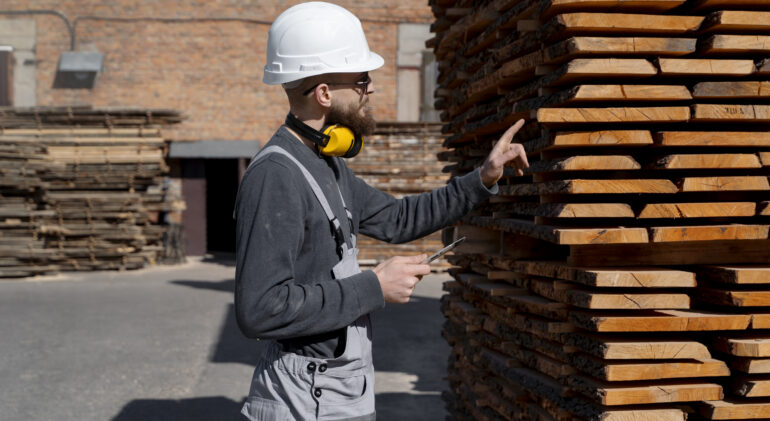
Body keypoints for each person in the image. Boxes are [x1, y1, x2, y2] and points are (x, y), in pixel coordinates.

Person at [233, 2, 528, 420]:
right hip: (303, 402)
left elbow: (398, 219)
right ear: (323, 94)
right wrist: (375, 286)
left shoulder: (329, 164)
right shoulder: (276, 176)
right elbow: (260, 308)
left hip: (336, 388)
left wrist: (482, 178)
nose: (370, 88)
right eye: (361, 80)